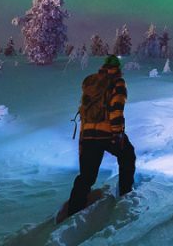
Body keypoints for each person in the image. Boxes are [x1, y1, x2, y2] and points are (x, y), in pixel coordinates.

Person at [56, 55, 136, 224]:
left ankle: (73, 211)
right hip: (107, 133)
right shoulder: (117, 83)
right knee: (128, 155)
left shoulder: (93, 83)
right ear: (118, 68)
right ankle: (125, 193)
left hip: (88, 134)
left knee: (86, 176)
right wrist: (118, 134)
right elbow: (116, 109)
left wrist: (83, 141)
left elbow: (84, 112)